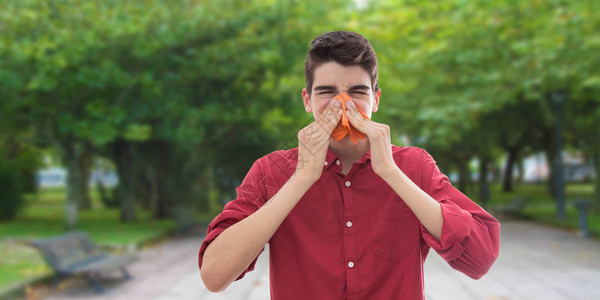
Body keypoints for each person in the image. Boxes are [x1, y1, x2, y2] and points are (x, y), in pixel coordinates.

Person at [199, 31, 500, 299]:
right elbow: (214, 276)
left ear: (376, 99)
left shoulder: (413, 165)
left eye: (357, 92)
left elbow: (480, 257)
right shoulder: (271, 170)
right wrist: (302, 177)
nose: (342, 105)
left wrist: (391, 173)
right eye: (327, 92)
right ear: (307, 99)